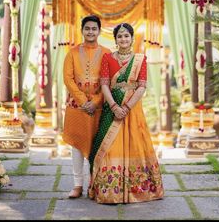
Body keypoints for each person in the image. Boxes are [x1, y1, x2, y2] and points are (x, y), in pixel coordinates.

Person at [88, 23, 164, 204]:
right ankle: (110, 191)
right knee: (107, 146)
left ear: (132, 38)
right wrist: (114, 106)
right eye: (120, 36)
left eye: (126, 36)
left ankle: (136, 189)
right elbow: (104, 84)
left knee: (135, 143)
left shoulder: (140, 59)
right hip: (111, 108)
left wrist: (127, 107)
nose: (123, 39)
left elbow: (142, 86)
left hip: (132, 109)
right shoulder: (108, 58)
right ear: (115, 40)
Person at [63, 15, 110, 198]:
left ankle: (94, 185)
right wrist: (84, 101)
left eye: (94, 29)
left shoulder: (107, 53)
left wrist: (96, 101)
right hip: (77, 107)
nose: (90, 32)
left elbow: (109, 81)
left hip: (99, 107)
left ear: (99, 31)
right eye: (87, 28)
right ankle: (77, 185)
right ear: (82, 30)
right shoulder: (72, 53)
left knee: (97, 145)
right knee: (76, 145)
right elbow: (68, 79)